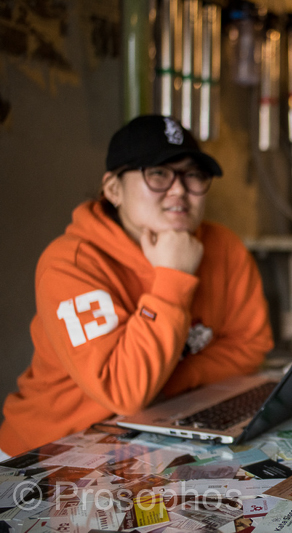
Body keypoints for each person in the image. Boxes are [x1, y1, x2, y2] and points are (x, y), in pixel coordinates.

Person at [0, 115, 273, 458]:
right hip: (46, 453)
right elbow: (124, 391)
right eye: (157, 173)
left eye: (193, 174)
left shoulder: (224, 246)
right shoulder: (70, 263)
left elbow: (251, 347)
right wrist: (173, 276)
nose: (179, 189)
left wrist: (167, 381)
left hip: (147, 442)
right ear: (113, 189)